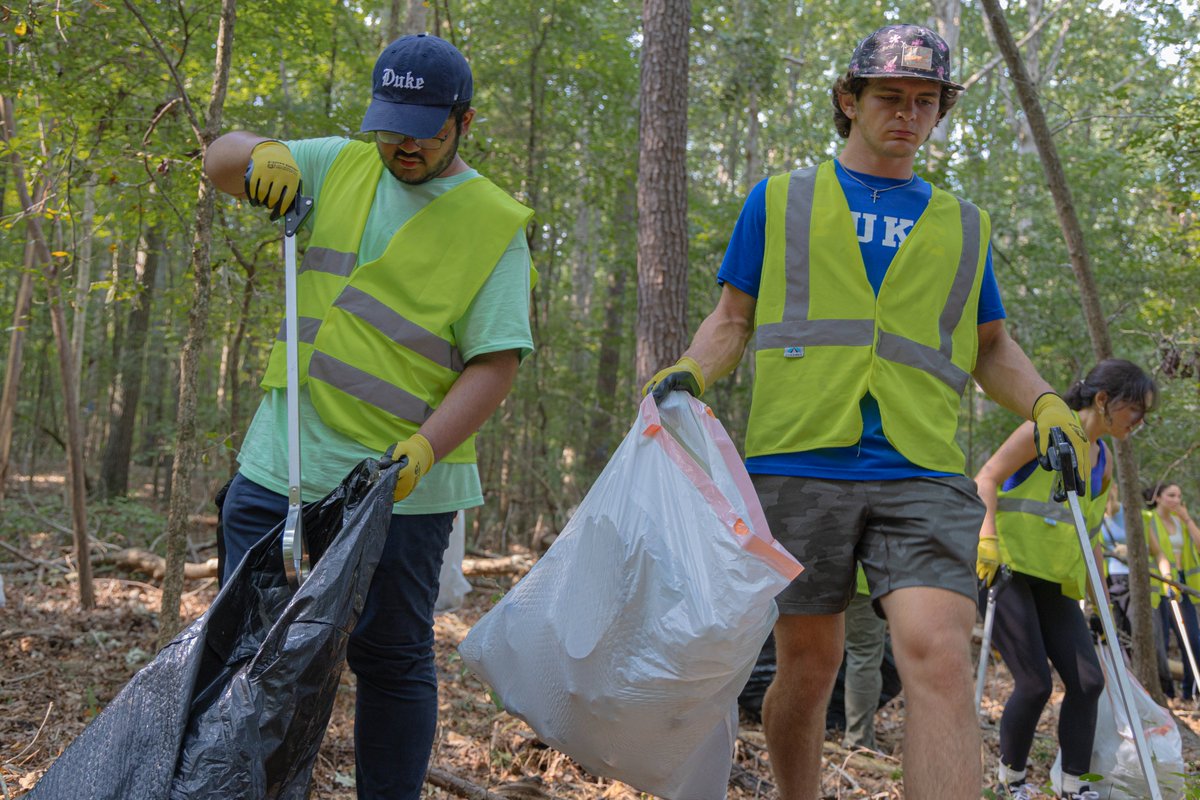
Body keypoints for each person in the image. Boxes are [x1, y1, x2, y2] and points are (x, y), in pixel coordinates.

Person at [643, 23, 1089, 800]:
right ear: (849, 101)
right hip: (798, 456)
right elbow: (732, 321)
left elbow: (990, 347)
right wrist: (688, 371)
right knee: (808, 668)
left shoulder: (964, 225)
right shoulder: (778, 201)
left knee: (940, 654)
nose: (908, 114)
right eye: (890, 96)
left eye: (926, 101)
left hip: (920, 466)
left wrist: (1047, 402)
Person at [202, 33, 534, 800]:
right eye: (389, 124)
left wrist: (420, 451)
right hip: (282, 461)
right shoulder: (338, 164)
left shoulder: (492, 225)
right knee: (241, 645)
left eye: (423, 128)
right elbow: (221, 157)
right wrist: (259, 154)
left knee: (389, 656)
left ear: (465, 121)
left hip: (404, 483)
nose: (402, 144)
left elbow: (495, 364)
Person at [975, 359, 1156, 799]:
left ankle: (1074, 786)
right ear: (1103, 400)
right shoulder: (1046, 429)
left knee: (1088, 682)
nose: (1141, 422)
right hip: (1008, 570)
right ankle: (1011, 782)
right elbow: (987, 478)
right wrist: (987, 540)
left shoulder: (1103, 460)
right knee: (1034, 682)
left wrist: (1102, 604)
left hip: (1055, 581)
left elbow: (1088, 534)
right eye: (1137, 410)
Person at [1145, 482, 1200, 702]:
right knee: (1162, 641)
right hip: (1158, 585)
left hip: (1182, 583)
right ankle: (1165, 693)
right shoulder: (1148, 519)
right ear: (1158, 497)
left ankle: (1190, 692)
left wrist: (1187, 519)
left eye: (1179, 496)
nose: (1176, 500)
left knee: (1193, 639)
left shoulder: (1181, 522)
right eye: (1171, 495)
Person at [840, 568, 888, 752]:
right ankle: (858, 741)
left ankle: (806, 735)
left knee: (810, 652)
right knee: (863, 654)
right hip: (864, 576)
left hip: (820, 571)